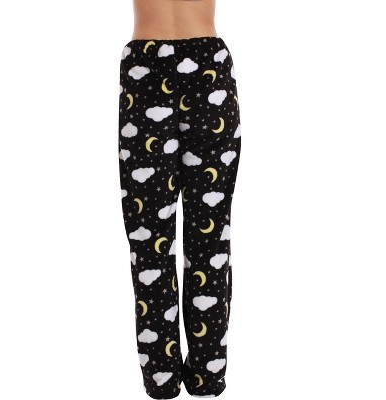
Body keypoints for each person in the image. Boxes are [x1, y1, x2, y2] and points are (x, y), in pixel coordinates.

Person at [118, 0, 242, 398]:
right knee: (149, 240)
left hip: (206, 69)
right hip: (146, 69)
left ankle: (206, 374)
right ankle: (164, 377)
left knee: (209, 240)